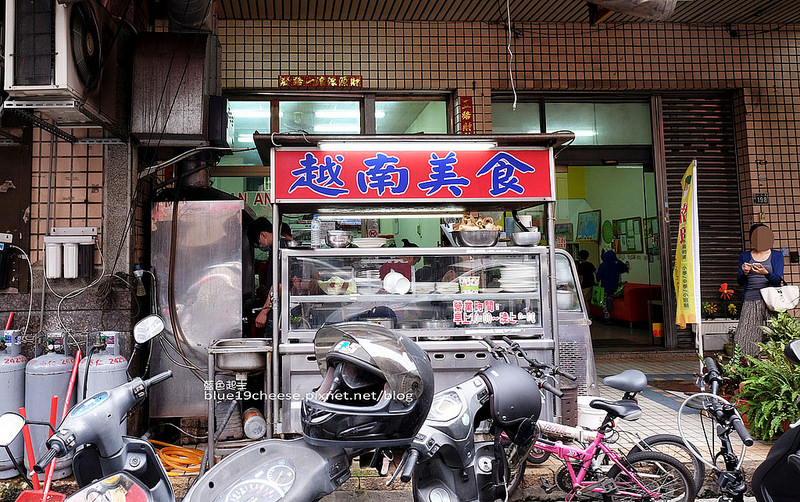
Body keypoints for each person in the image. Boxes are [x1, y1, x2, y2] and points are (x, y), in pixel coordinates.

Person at [735, 223, 784, 357]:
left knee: (775, 336)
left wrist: (765, 272)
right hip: (751, 298)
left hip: (771, 301)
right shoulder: (744, 256)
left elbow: (776, 280)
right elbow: (740, 282)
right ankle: (748, 366)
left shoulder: (777, 256)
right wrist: (744, 273)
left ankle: (776, 366)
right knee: (743, 337)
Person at [247, 217, 274, 330]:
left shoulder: (280, 249)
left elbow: (279, 285)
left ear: (263, 235)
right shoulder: (275, 250)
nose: (261, 246)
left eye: (259, 243)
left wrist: (264, 311)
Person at [596, 249, 629, 323]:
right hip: (614, 286)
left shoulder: (603, 265)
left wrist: (598, 280)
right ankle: (610, 308)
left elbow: (598, 276)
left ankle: (607, 317)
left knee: (604, 302)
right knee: (610, 298)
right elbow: (625, 269)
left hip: (604, 286)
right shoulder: (617, 264)